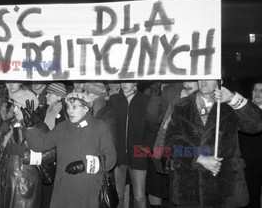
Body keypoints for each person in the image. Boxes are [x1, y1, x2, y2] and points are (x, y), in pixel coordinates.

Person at [165, 80, 262, 208]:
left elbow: (256, 125)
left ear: (219, 81)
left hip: (226, 187)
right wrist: (199, 158)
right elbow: (171, 143)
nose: (204, 81)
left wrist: (232, 99)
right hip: (190, 187)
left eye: (209, 78)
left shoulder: (229, 105)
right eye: (201, 77)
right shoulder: (182, 105)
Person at [24, 91, 117, 208]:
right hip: (64, 189)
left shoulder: (100, 127)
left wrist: (86, 165)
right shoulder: (62, 127)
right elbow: (39, 145)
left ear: (86, 108)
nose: (69, 111)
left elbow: (111, 158)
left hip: (89, 190)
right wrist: (30, 126)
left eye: (74, 107)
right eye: (68, 106)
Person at [0, 89, 55, 208]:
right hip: (4, 181)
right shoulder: (10, 123)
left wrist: (24, 154)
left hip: (23, 185)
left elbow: (50, 155)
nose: (14, 110)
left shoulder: (40, 127)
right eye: (14, 106)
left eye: (18, 106)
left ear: (28, 108)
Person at [108, 82, 150, 208]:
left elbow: (152, 127)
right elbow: (109, 126)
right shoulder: (114, 100)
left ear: (136, 82)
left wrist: (146, 148)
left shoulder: (145, 100)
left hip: (138, 153)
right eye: (123, 81)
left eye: (129, 81)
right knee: (118, 196)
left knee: (139, 197)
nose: (125, 84)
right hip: (118, 154)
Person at [238, 80, 262, 208]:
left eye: (261, 91)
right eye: (255, 90)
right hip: (244, 158)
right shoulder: (243, 109)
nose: (258, 93)